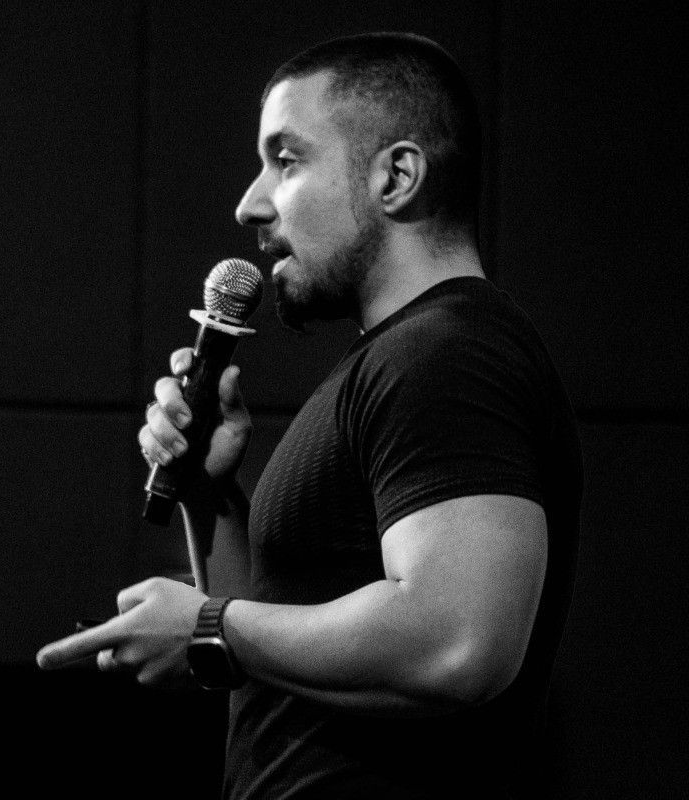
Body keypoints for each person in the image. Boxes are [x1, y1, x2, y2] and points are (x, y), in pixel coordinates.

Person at [37, 32, 582, 799]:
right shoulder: (403, 358)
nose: (250, 203)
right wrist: (211, 495)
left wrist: (206, 627)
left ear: (397, 176)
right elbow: (281, 643)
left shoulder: (449, 355)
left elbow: (460, 643)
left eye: (286, 161)